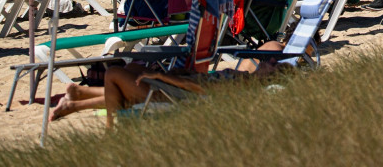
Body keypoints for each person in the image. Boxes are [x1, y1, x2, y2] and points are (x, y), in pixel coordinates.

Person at [49, 42, 290, 128]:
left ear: (270, 77)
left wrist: (167, 79)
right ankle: (80, 95)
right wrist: (182, 72)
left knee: (114, 74)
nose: (266, 62)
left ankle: (110, 130)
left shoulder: (242, 87)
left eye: (271, 65)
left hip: (172, 96)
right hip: (177, 86)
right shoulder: (245, 78)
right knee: (132, 69)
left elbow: (201, 91)